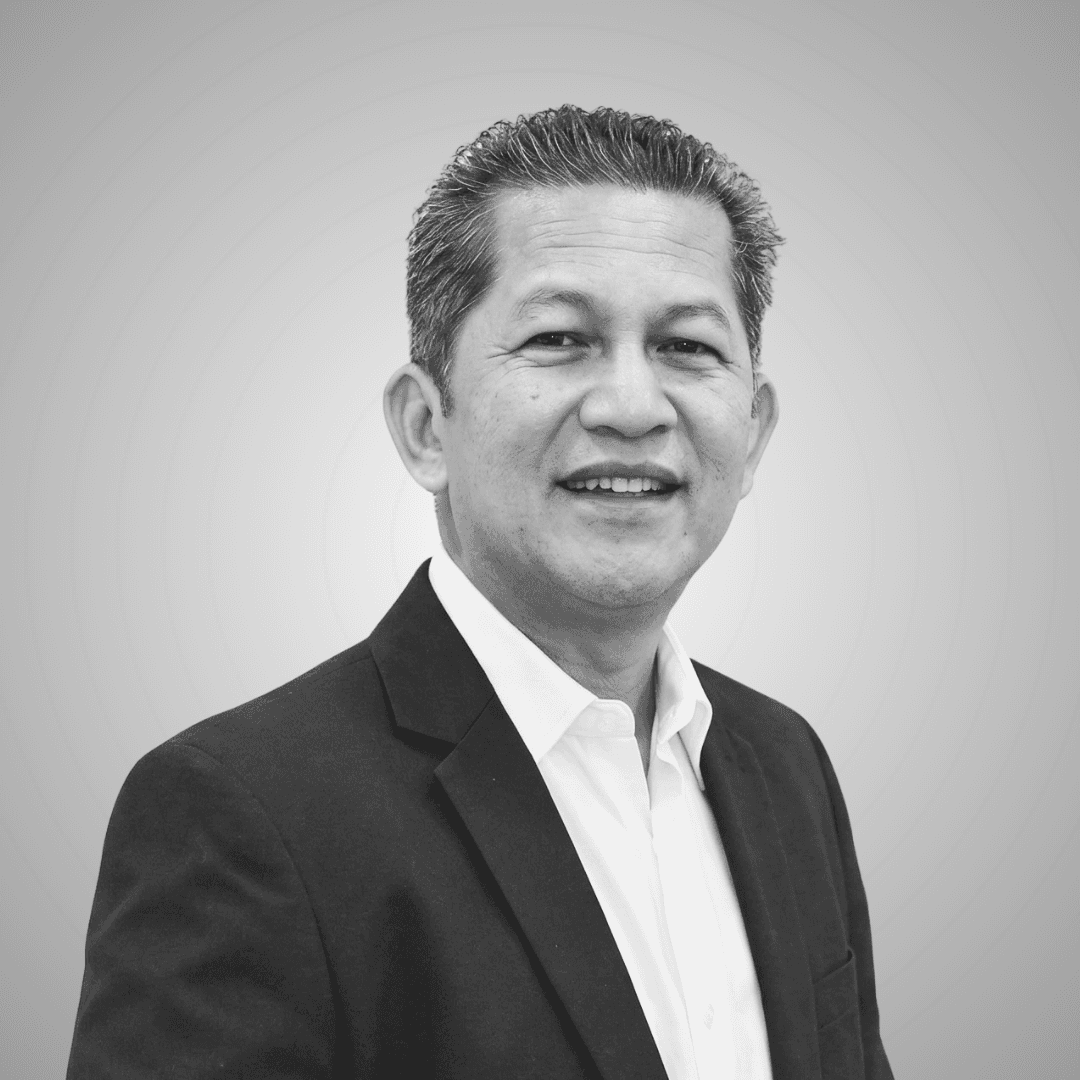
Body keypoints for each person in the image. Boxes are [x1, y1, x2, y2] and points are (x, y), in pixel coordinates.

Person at [67, 106, 892, 1080]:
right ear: (426, 427)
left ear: (751, 434)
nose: (632, 406)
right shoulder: (241, 814)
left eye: (687, 347)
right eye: (559, 337)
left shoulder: (784, 766)